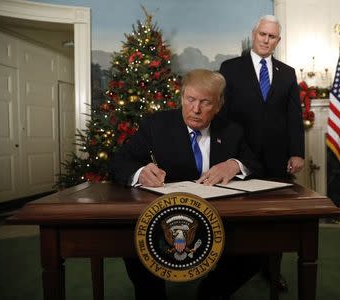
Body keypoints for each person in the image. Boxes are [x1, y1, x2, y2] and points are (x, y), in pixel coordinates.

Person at [109, 69, 262, 299]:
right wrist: (141, 173)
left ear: (218, 106)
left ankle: (211, 292)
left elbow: (255, 163)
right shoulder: (156, 125)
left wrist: (233, 165)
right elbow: (119, 161)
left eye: (205, 102)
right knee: (135, 245)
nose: (196, 109)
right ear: (182, 98)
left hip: (220, 218)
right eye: (190, 100)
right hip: (163, 218)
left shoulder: (232, 130)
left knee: (257, 250)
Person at [219, 15, 305, 291]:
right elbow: (223, 115)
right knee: (238, 217)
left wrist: (297, 153)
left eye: (272, 37)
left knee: (275, 219)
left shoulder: (287, 72)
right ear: (254, 34)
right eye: (263, 35)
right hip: (239, 159)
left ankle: (272, 270)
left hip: (277, 160)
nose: (267, 40)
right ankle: (230, 275)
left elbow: (294, 116)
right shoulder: (230, 68)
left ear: (278, 41)